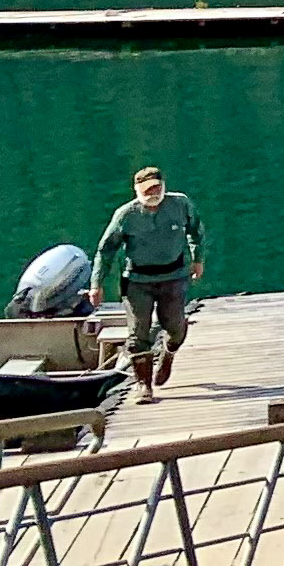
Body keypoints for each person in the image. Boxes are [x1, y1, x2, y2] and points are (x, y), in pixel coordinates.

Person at [98, 164, 204, 394]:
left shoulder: (180, 204)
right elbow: (106, 250)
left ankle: (169, 353)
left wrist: (198, 259)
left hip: (174, 276)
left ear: (164, 186)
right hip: (137, 280)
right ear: (137, 190)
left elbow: (196, 231)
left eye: (157, 188)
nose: (153, 194)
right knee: (138, 334)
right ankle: (143, 384)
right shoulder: (126, 215)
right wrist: (96, 284)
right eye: (147, 190)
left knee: (175, 327)